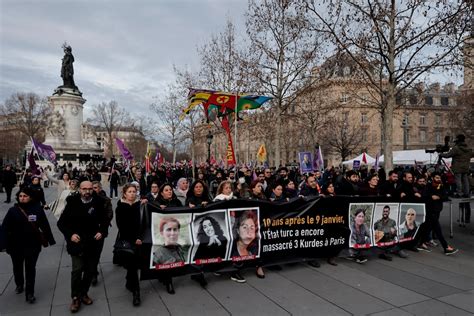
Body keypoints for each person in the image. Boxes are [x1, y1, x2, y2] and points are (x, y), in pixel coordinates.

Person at [57, 181, 110, 313]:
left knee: (90, 270)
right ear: (79, 190)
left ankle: (84, 293)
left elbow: (105, 219)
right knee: (77, 269)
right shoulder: (72, 202)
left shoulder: (99, 202)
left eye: (90, 189)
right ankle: (75, 297)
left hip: (92, 242)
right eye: (84, 189)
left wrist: (102, 231)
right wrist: (70, 235)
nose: (87, 191)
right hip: (77, 242)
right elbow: (61, 223)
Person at [2, 187, 56, 303]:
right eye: (20, 196)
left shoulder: (37, 209)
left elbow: (45, 225)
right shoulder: (13, 211)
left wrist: (50, 239)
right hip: (15, 245)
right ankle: (19, 284)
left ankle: (30, 293)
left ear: (30, 197)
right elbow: (4, 228)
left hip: (32, 245)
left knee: (30, 268)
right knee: (17, 266)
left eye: (25, 196)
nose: (22, 198)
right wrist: (3, 244)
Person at [115, 184, 143, 306]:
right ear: (125, 193)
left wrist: (139, 237)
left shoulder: (140, 205)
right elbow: (121, 226)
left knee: (134, 265)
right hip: (127, 239)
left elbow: (144, 222)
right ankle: (136, 293)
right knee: (132, 265)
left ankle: (128, 281)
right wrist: (134, 238)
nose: (132, 193)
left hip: (139, 240)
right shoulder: (120, 207)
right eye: (129, 191)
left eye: (134, 191)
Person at [417, 172, 459, 255]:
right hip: (430, 210)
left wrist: (439, 197)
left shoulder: (442, 187)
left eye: (439, 178)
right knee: (437, 229)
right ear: (432, 178)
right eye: (436, 177)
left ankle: (420, 243)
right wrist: (431, 196)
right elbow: (424, 196)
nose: (438, 179)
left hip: (437, 211)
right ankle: (446, 247)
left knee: (427, 227)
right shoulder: (428, 186)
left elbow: (445, 197)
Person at [152, 217, 186, 294]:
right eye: (168, 229)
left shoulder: (182, 248)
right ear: (162, 232)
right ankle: (168, 282)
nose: (172, 233)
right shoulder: (159, 253)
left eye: (175, 229)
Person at [91, 181, 113, 286]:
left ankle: (94, 272)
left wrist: (103, 228)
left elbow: (110, 215)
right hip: (89, 230)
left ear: (100, 188)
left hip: (101, 230)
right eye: (92, 188)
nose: (93, 190)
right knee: (90, 252)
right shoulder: (88, 199)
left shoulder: (106, 200)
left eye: (95, 188)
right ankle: (93, 271)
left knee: (96, 252)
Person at [230, 210, 259, 283]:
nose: (249, 232)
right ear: (238, 230)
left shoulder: (254, 251)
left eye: (252, 228)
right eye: (245, 227)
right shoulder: (231, 249)